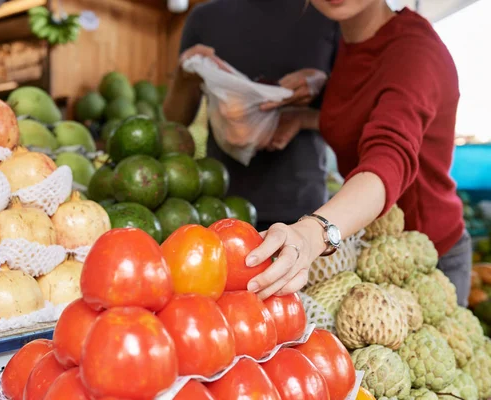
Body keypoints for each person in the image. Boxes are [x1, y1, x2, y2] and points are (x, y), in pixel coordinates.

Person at [246, 0, 471, 306]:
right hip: (373, 246)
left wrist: (314, 234)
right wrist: (304, 119)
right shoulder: (349, 39)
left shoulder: (415, 52)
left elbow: (389, 156)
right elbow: (365, 114)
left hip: (428, 258)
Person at [163, 0, 340, 231]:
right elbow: (176, 119)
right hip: (220, 204)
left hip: (304, 209)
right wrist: (185, 76)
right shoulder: (204, 18)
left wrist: (302, 117)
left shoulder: (329, 15)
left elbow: (353, 115)